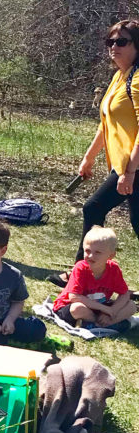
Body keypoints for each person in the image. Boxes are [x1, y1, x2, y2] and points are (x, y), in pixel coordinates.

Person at [51, 20, 139, 287]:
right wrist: (89, 157)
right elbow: (106, 123)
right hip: (124, 166)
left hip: (134, 166)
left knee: (94, 207)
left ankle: (81, 274)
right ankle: (84, 274)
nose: (114, 47)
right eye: (110, 42)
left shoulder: (137, 80)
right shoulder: (119, 77)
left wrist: (130, 172)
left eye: (121, 42)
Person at [52, 226, 136, 330]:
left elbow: (124, 294)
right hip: (70, 306)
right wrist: (104, 309)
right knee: (77, 308)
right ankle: (107, 324)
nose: (91, 256)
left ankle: (102, 322)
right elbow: (74, 297)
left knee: (131, 306)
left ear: (111, 255)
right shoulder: (80, 268)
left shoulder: (113, 269)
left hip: (98, 307)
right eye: (87, 251)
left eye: (98, 252)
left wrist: (113, 310)